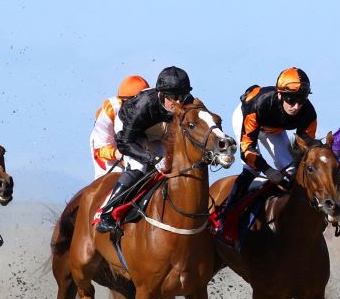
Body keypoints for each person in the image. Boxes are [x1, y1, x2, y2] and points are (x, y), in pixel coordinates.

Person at [213, 67, 318, 239]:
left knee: (291, 170)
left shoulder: (308, 113)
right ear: (280, 94)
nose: (296, 106)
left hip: (274, 130)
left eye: (302, 100)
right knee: (251, 168)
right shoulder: (258, 104)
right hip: (247, 117)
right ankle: (225, 217)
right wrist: (269, 171)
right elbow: (247, 150)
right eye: (291, 99)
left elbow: (306, 151)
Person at [94, 66, 193, 235]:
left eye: (181, 97)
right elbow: (125, 143)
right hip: (131, 133)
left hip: (157, 131)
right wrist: (152, 159)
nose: (178, 102)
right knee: (139, 167)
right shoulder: (140, 106)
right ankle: (107, 212)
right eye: (172, 97)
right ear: (161, 94)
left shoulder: (187, 100)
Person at [90, 75, 150, 177]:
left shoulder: (151, 107)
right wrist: (116, 153)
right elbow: (99, 150)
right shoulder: (111, 110)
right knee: (114, 177)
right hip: (107, 144)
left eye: (141, 103)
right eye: (133, 103)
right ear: (122, 101)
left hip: (134, 141)